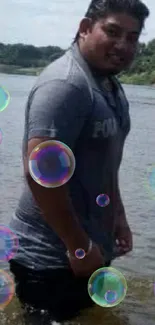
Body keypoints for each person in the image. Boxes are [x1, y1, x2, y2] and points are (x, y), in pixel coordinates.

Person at [9, 0, 149, 322]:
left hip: (85, 249)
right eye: (112, 32)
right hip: (50, 259)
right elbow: (40, 175)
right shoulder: (66, 85)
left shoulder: (109, 84)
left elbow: (106, 162)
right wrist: (78, 245)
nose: (123, 45)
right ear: (85, 28)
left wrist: (118, 215)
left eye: (132, 37)